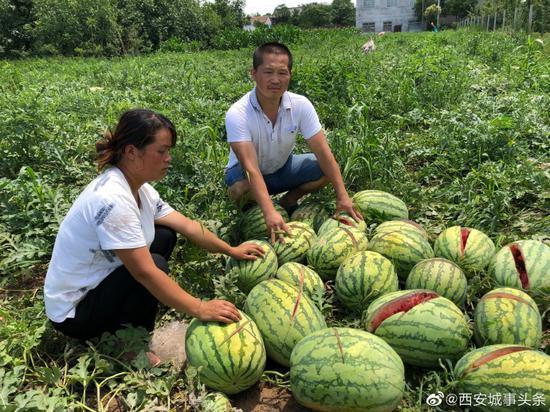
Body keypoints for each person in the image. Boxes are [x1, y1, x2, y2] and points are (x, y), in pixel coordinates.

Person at [44, 109, 264, 345]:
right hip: (76, 311)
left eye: (168, 151)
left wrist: (230, 250)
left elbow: (188, 226)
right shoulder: (113, 199)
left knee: (165, 236)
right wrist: (200, 307)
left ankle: (129, 312)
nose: (168, 158)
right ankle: (132, 343)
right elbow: (144, 272)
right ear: (131, 152)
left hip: (101, 282)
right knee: (154, 266)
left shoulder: (141, 189)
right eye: (161, 151)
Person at [224, 42, 362, 243]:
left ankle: (288, 199)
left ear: (290, 74)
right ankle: (254, 209)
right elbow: (250, 168)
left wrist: (342, 196)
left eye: (282, 73)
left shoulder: (300, 105)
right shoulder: (238, 113)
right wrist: (269, 212)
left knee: (325, 168)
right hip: (245, 174)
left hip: (281, 168)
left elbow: (324, 153)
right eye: (268, 72)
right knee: (239, 189)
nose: (275, 80)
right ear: (253, 73)